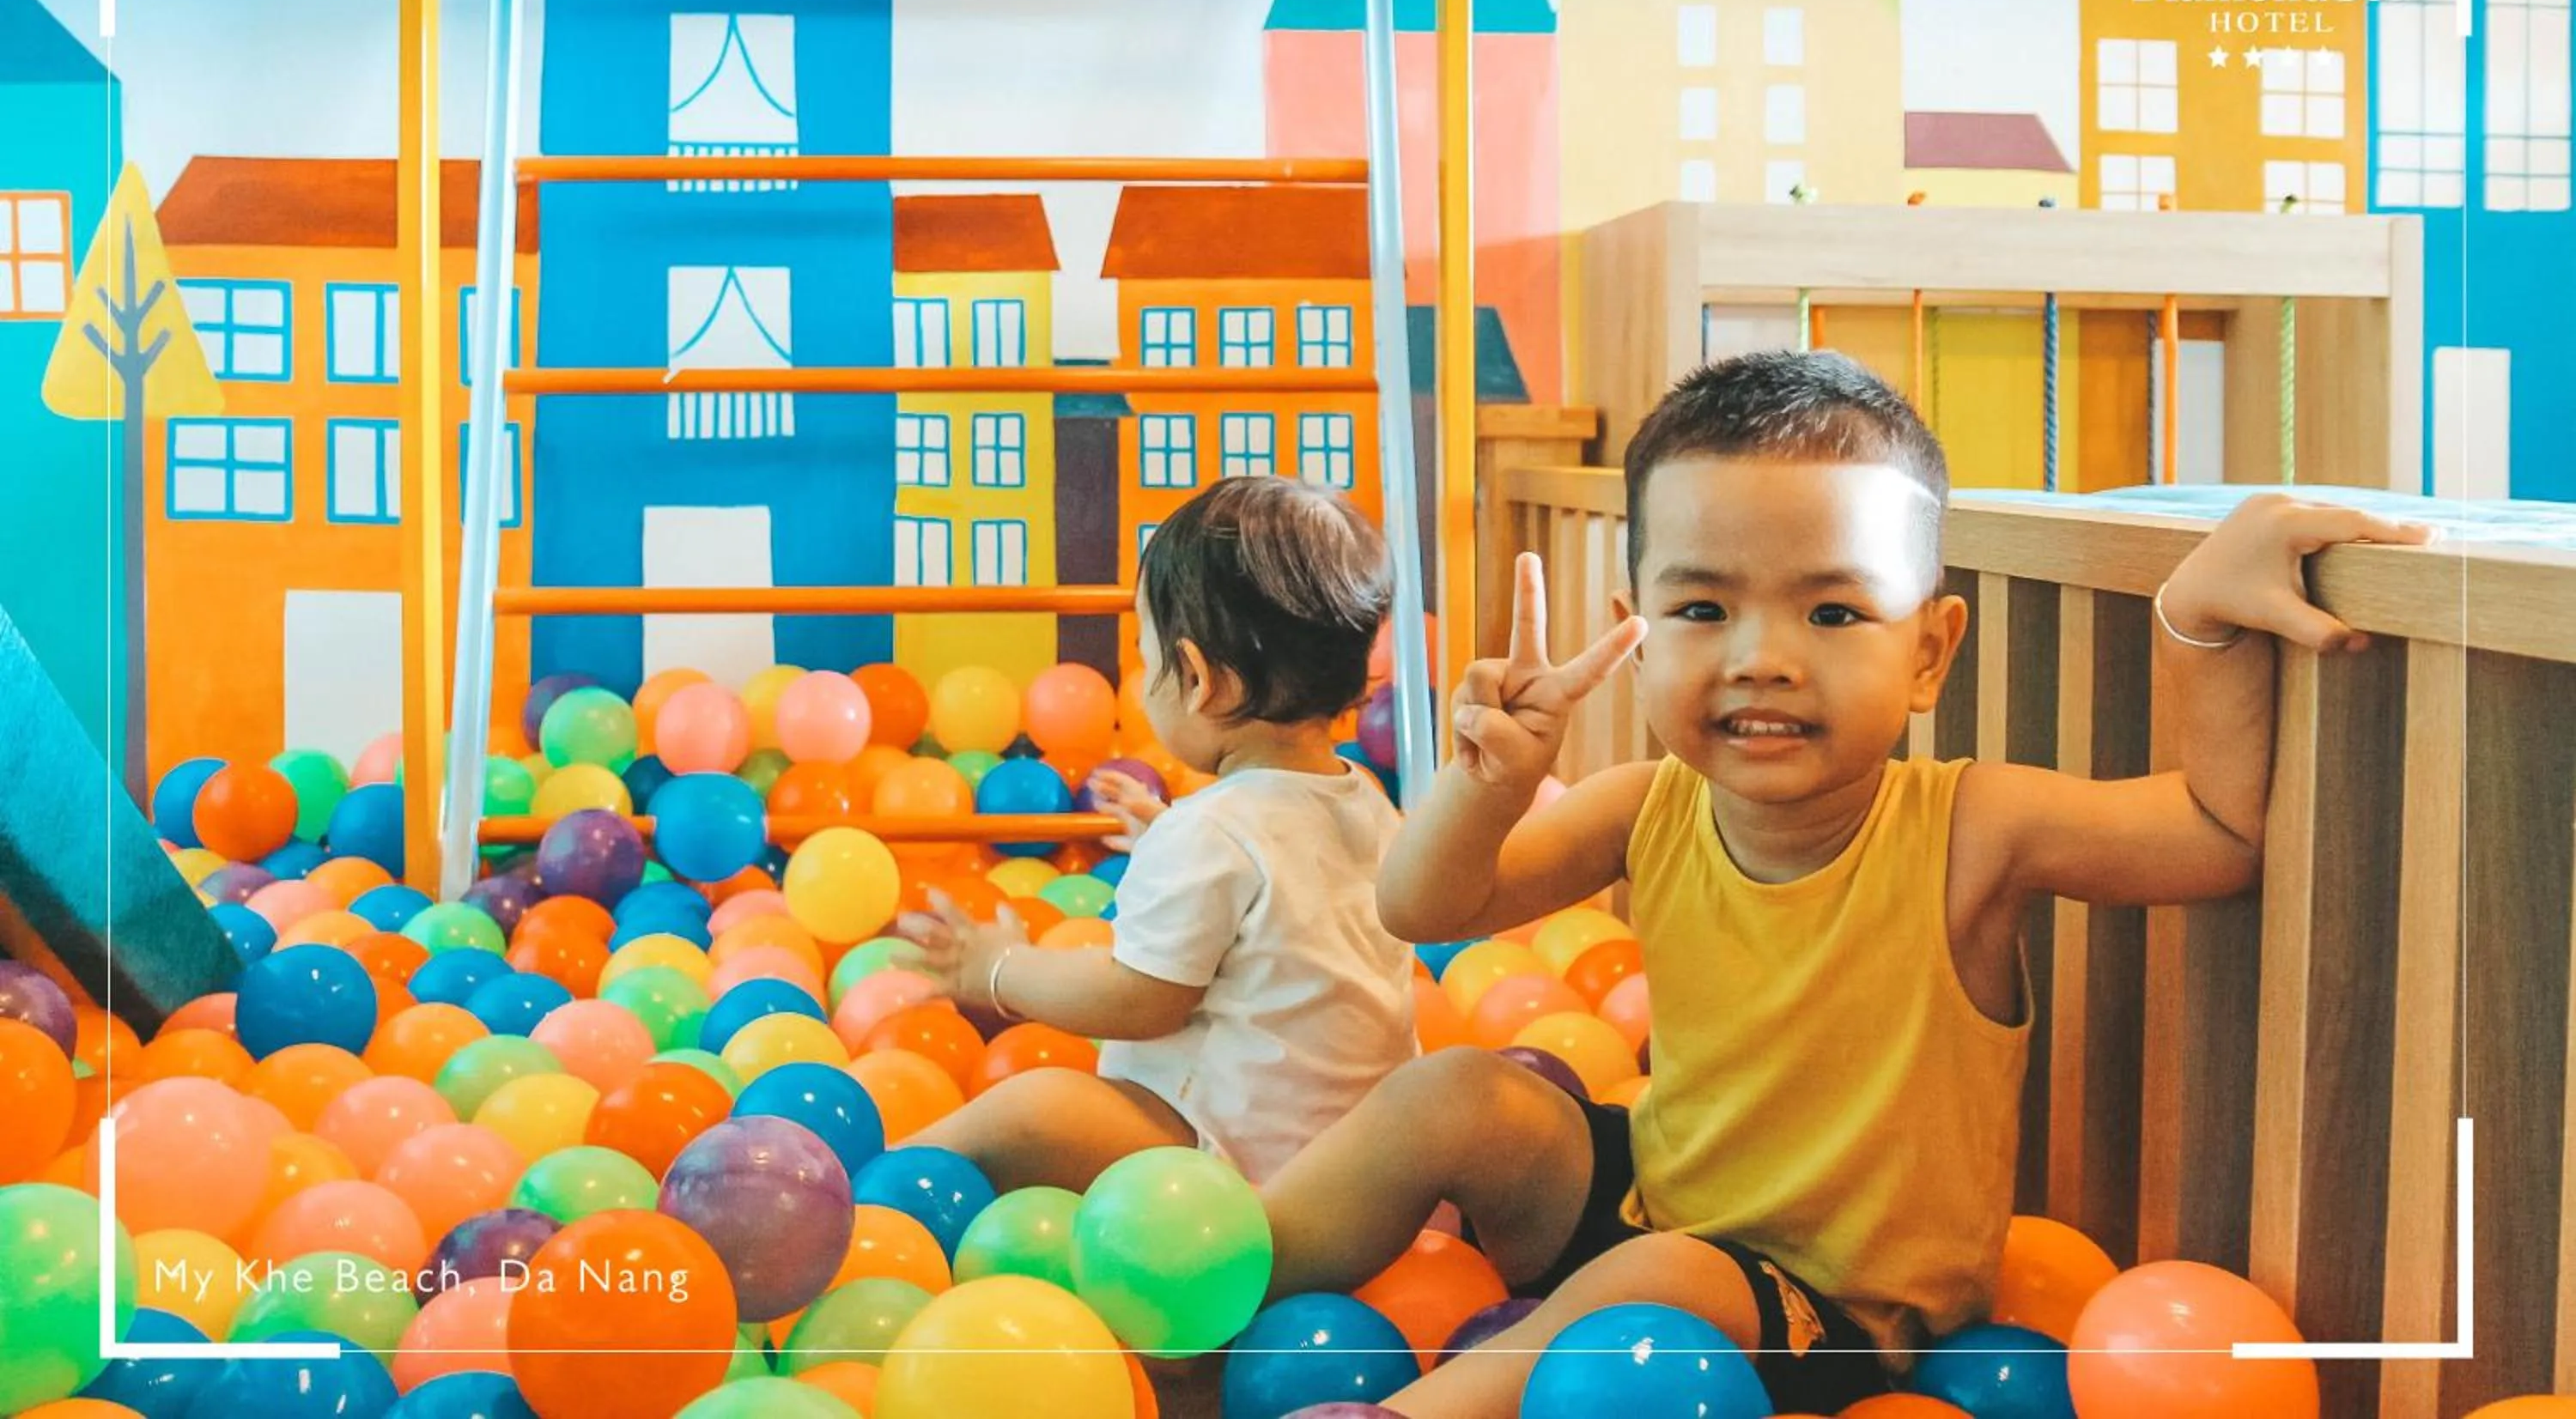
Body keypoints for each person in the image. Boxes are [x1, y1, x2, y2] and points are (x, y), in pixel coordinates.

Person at [1258, 349, 2433, 1417]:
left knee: (1667, 1271)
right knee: (1458, 1090)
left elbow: (2213, 830)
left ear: (1928, 650)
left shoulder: (1971, 830)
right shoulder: (1645, 801)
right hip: (1649, 1212)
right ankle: (1213, 1293)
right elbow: (1424, 909)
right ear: (1637, 633)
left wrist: (2197, 616)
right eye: (1703, 608)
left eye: (1832, 610)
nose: (1761, 654)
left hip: (1838, 1324)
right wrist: (1488, 785)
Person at [897, 474, 1419, 1192]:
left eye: (1146, 656)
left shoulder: (1215, 831)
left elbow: (1139, 1000)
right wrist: (1167, 834)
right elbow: (1285, 901)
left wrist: (996, 969)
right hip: (1364, 1172)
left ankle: (866, 1196)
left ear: (1203, 681)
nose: (1143, 679)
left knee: (1030, 1108)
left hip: (1228, 1168)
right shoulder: (1366, 802)